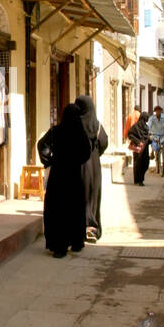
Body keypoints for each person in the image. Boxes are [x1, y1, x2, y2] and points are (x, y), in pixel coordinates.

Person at [38, 104, 92, 257]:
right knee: (74, 209)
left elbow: (42, 145)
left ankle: (59, 246)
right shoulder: (80, 133)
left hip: (58, 177)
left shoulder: (56, 131)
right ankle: (76, 241)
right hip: (74, 176)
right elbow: (87, 152)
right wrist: (76, 160)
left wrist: (49, 160)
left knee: (58, 210)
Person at [74, 94, 109, 242]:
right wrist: (94, 154)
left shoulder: (74, 124)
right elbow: (104, 142)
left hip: (77, 165)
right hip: (94, 166)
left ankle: (80, 227)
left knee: (78, 196)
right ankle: (92, 226)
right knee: (93, 195)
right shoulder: (97, 125)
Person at [126, 110, 151, 185]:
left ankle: (140, 179)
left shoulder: (146, 127)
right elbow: (130, 134)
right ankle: (138, 180)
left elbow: (146, 138)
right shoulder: (136, 126)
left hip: (145, 148)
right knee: (138, 164)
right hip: (138, 149)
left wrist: (151, 140)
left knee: (145, 163)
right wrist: (138, 142)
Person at [147, 105, 164, 170]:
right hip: (154, 134)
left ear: (161, 111)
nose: (158, 112)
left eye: (159, 111)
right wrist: (148, 132)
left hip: (163, 134)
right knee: (154, 143)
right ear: (155, 112)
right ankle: (152, 152)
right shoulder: (152, 118)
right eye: (156, 111)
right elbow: (149, 125)